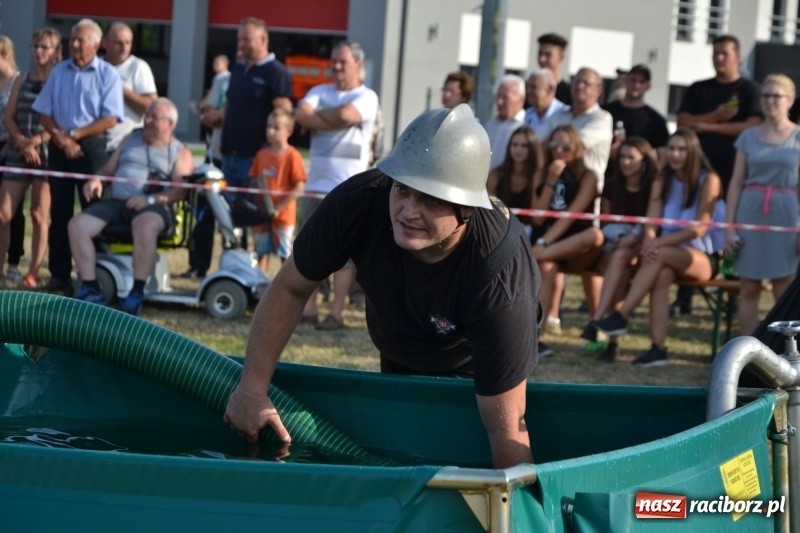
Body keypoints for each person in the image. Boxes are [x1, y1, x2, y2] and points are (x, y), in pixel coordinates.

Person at [223, 104, 539, 469]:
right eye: (402, 189)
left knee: (468, 449)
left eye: (432, 199)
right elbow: (290, 287)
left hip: (468, 360)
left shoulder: (498, 271)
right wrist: (252, 388)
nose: (408, 211)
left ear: (466, 210)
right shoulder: (358, 204)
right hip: (396, 342)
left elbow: (508, 434)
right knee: (397, 456)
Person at [588, 128, 725, 366]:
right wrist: (650, 239)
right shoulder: (663, 179)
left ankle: (622, 315)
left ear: (693, 152)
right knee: (661, 273)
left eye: (682, 149)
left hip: (702, 256)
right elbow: (652, 220)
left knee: (658, 255)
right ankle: (658, 349)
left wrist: (656, 243)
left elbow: (699, 228)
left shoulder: (709, 179)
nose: (675, 154)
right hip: (664, 253)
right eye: (672, 148)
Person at [67, 98, 193, 315]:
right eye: (147, 116)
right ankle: (91, 288)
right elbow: (108, 169)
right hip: (117, 204)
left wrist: (150, 200)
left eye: (155, 117)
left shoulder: (180, 152)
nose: (148, 121)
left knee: (144, 226)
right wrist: (97, 180)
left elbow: (180, 191)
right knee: (77, 225)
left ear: (170, 124)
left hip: (154, 207)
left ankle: (136, 292)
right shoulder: (130, 139)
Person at [32, 18, 124, 294]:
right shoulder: (59, 71)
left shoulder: (107, 74)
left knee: (92, 214)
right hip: (60, 149)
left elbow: (110, 118)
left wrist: (73, 135)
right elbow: (43, 111)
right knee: (59, 214)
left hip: (93, 150)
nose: (73, 44)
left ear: (96, 44)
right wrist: (62, 138)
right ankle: (60, 276)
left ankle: (95, 276)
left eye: (79, 40)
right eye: (72, 39)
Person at [675, 34, 762, 316]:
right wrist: (715, 116)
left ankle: (734, 294)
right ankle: (685, 294)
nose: (719, 58)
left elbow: (750, 126)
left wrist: (706, 127)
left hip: (734, 179)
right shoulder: (700, 89)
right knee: (689, 231)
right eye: (715, 52)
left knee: (733, 236)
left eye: (725, 53)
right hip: (697, 178)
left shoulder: (750, 90)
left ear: (738, 57)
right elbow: (683, 122)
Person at [294, 41, 379, 330]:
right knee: (309, 247)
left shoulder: (367, 96)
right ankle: (309, 309)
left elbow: (347, 115)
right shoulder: (320, 91)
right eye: (334, 61)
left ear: (358, 64)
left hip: (348, 187)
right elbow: (300, 115)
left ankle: (336, 312)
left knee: (343, 255)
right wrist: (326, 119)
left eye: (343, 61)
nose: (337, 66)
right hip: (315, 185)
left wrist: (317, 121)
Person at [725, 74, 800, 335]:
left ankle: (784, 352)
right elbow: (736, 182)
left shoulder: (799, 137)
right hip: (751, 209)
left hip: (787, 213)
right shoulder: (748, 136)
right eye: (766, 95)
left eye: (776, 96)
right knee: (748, 288)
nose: (770, 101)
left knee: (784, 288)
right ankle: (750, 353)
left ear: (789, 100)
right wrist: (729, 227)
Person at [580, 137, 659, 362]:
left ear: (644, 161)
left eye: (631, 157)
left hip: (641, 248)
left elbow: (652, 226)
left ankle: (596, 321)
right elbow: (605, 223)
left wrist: (633, 241)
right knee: (618, 268)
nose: (625, 162)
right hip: (615, 247)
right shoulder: (612, 185)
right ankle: (610, 340)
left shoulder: (653, 186)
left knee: (620, 263)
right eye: (622, 157)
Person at [219, 17, 293, 250]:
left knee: (253, 217)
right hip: (228, 155)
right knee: (227, 215)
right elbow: (230, 106)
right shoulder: (239, 68)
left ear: (262, 40)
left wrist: (269, 148)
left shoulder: (276, 72)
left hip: (254, 159)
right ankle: (233, 260)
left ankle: (253, 265)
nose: (240, 43)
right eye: (239, 38)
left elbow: (284, 112)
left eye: (246, 39)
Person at [531, 124, 601, 355]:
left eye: (565, 146)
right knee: (547, 265)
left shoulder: (587, 175)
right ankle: (537, 337)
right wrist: (550, 180)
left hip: (575, 244)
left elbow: (572, 216)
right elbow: (538, 219)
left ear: (576, 147)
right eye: (554, 145)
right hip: (549, 246)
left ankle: (534, 255)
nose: (559, 150)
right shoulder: (542, 173)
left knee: (595, 235)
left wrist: (543, 245)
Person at [0, 28, 61, 289]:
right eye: (35, 46)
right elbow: (9, 116)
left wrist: (37, 141)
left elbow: (62, 121)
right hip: (18, 149)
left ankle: (33, 272)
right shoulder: (21, 79)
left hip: (46, 153)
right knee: (3, 213)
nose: (38, 51)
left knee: (38, 214)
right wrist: (22, 141)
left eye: (44, 47)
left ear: (56, 52)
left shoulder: (60, 80)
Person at [182, 54, 232, 280]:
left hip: (238, 158)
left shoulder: (230, 78)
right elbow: (209, 116)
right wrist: (218, 115)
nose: (215, 66)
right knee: (204, 213)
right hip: (215, 158)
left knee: (232, 216)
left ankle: (230, 269)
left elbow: (218, 116)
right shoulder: (220, 81)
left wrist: (220, 116)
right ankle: (199, 265)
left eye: (218, 62)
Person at [249, 108, 306, 273]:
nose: (270, 131)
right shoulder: (261, 155)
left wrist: (278, 207)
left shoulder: (292, 156)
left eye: (276, 127)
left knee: (285, 255)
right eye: (269, 127)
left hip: (284, 216)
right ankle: (259, 284)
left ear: (288, 131)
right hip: (262, 214)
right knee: (261, 252)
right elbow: (255, 180)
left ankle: (286, 289)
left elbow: (299, 187)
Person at [539, 67, 613, 192]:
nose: (580, 86)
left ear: (598, 91)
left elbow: (574, 146)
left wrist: (552, 143)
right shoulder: (558, 114)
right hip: (553, 186)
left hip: (584, 191)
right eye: (577, 81)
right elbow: (539, 144)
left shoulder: (602, 118)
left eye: (586, 83)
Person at [102, 22, 158, 153]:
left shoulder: (138, 67)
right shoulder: (96, 66)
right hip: (95, 144)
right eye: (119, 43)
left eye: (128, 43)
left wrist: (118, 88)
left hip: (126, 146)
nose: (124, 48)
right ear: (105, 42)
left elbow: (152, 106)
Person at [602, 64, 670, 171]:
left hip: (640, 181)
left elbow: (663, 155)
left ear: (648, 86)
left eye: (641, 81)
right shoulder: (605, 112)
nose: (636, 85)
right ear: (625, 81)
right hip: (607, 177)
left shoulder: (655, 120)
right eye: (633, 80)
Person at [487, 125, 543, 238]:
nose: (518, 149)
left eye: (524, 146)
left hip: (530, 234)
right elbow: (488, 211)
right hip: (500, 231)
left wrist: (535, 180)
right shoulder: (497, 175)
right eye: (514, 144)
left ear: (533, 148)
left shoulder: (538, 175)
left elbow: (537, 219)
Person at [0, 35, 24, 284]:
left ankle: (14, 261)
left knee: (13, 211)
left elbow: (14, 116)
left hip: (12, 147)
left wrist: (9, 144)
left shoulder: (19, 81)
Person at [484, 74, 526, 171]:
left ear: (521, 98)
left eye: (505, 97)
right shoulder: (489, 125)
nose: (499, 102)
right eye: (498, 96)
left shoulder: (526, 125)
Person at [523, 68, 565, 136]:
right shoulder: (527, 115)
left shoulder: (563, 115)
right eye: (528, 87)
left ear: (550, 89)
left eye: (533, 87)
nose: (528, 91)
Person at [537, 33, 570, 104]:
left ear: (561, 58)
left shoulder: (570, 94)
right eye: (540, 53)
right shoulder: (529, 91)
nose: (542, 59)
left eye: (548, 55)